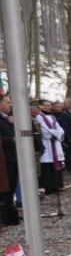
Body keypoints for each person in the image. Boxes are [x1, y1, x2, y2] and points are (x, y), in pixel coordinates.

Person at [32, 102, 65, 195]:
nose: (48, 107)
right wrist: (54, 134)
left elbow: (60, 129)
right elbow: (44, 130)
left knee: (56, 163)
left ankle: (57, 185)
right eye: (46, 105)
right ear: (41, 106)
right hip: (47, 143)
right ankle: (49, 187)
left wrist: (58, 134)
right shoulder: (39, 117)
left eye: (49, 105)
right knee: (47, 164)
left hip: (54, 141)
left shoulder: (53, 116)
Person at [0, 94, 20, 225]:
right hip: (4, 159)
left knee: (12, 187)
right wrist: (11, 140)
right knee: (5, 190)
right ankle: (5, 217)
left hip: (14, 157)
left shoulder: (8, 119)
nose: (10, 105)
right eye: (7, 102)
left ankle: (11, 215)